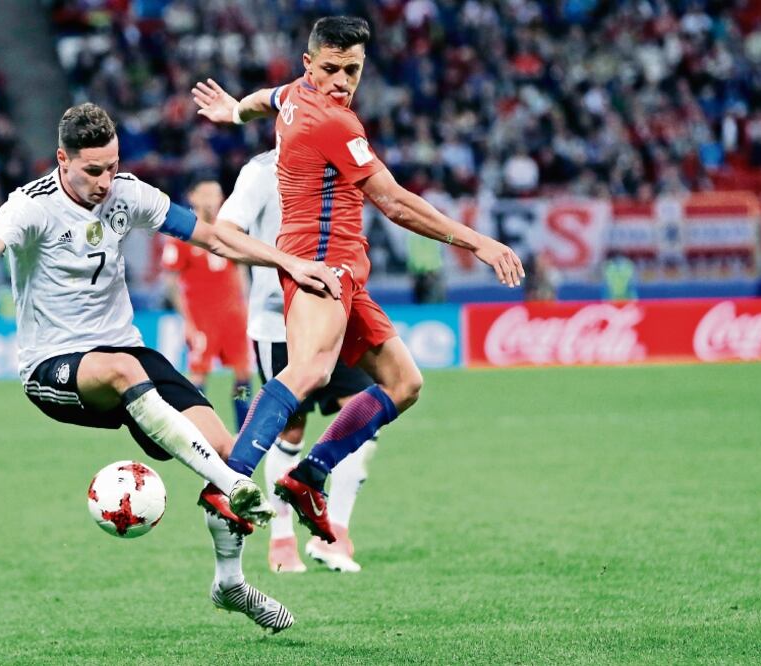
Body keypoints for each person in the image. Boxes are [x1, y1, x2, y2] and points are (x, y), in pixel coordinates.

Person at [0, 103, 341, 632]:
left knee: (231, 452)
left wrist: (289, 261)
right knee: (126, 373)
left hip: (128, 355)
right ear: (63, 160)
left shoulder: (128, 193)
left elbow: (212, 236)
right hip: (54, 367)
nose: (105, 181)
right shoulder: (31, 206)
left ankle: (230, 582)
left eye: (112, 165)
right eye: (93, 170)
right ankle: (228, 484)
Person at [192, 16, 523, 543]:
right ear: (309, 64)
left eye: (352, 69)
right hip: (322, 262)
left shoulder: (296, 95)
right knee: (310, 372)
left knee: (404, 383)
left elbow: (264, 100)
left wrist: (233, 111)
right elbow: (394, 203)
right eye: (330, 69)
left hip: (349, 271)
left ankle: (309, 475)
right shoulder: (333, 122)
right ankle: (227, 484)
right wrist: (478, 241)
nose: (341, 81)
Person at [217, 149, 376, 574]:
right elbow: (226, 229)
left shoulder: (345, 158)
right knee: (292, 429)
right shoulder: (259, 172)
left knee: (359, 415)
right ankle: (282, 540)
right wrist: (282, 265)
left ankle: (335, 535)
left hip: (340, 308)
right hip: (277, 317)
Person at [161, 179, 252, 432]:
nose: (213, 200)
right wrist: (187, 321)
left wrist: (244, 304)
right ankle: (195, 429)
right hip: (202, 319)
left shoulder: (230, 230)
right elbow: (171, 281)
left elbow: (241, 266)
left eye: (217, 194)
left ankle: (243, 428)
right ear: (193, 197)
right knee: (199, 375)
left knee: (243, 375)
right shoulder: (182, 234)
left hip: (233, 317)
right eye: (207, 194)